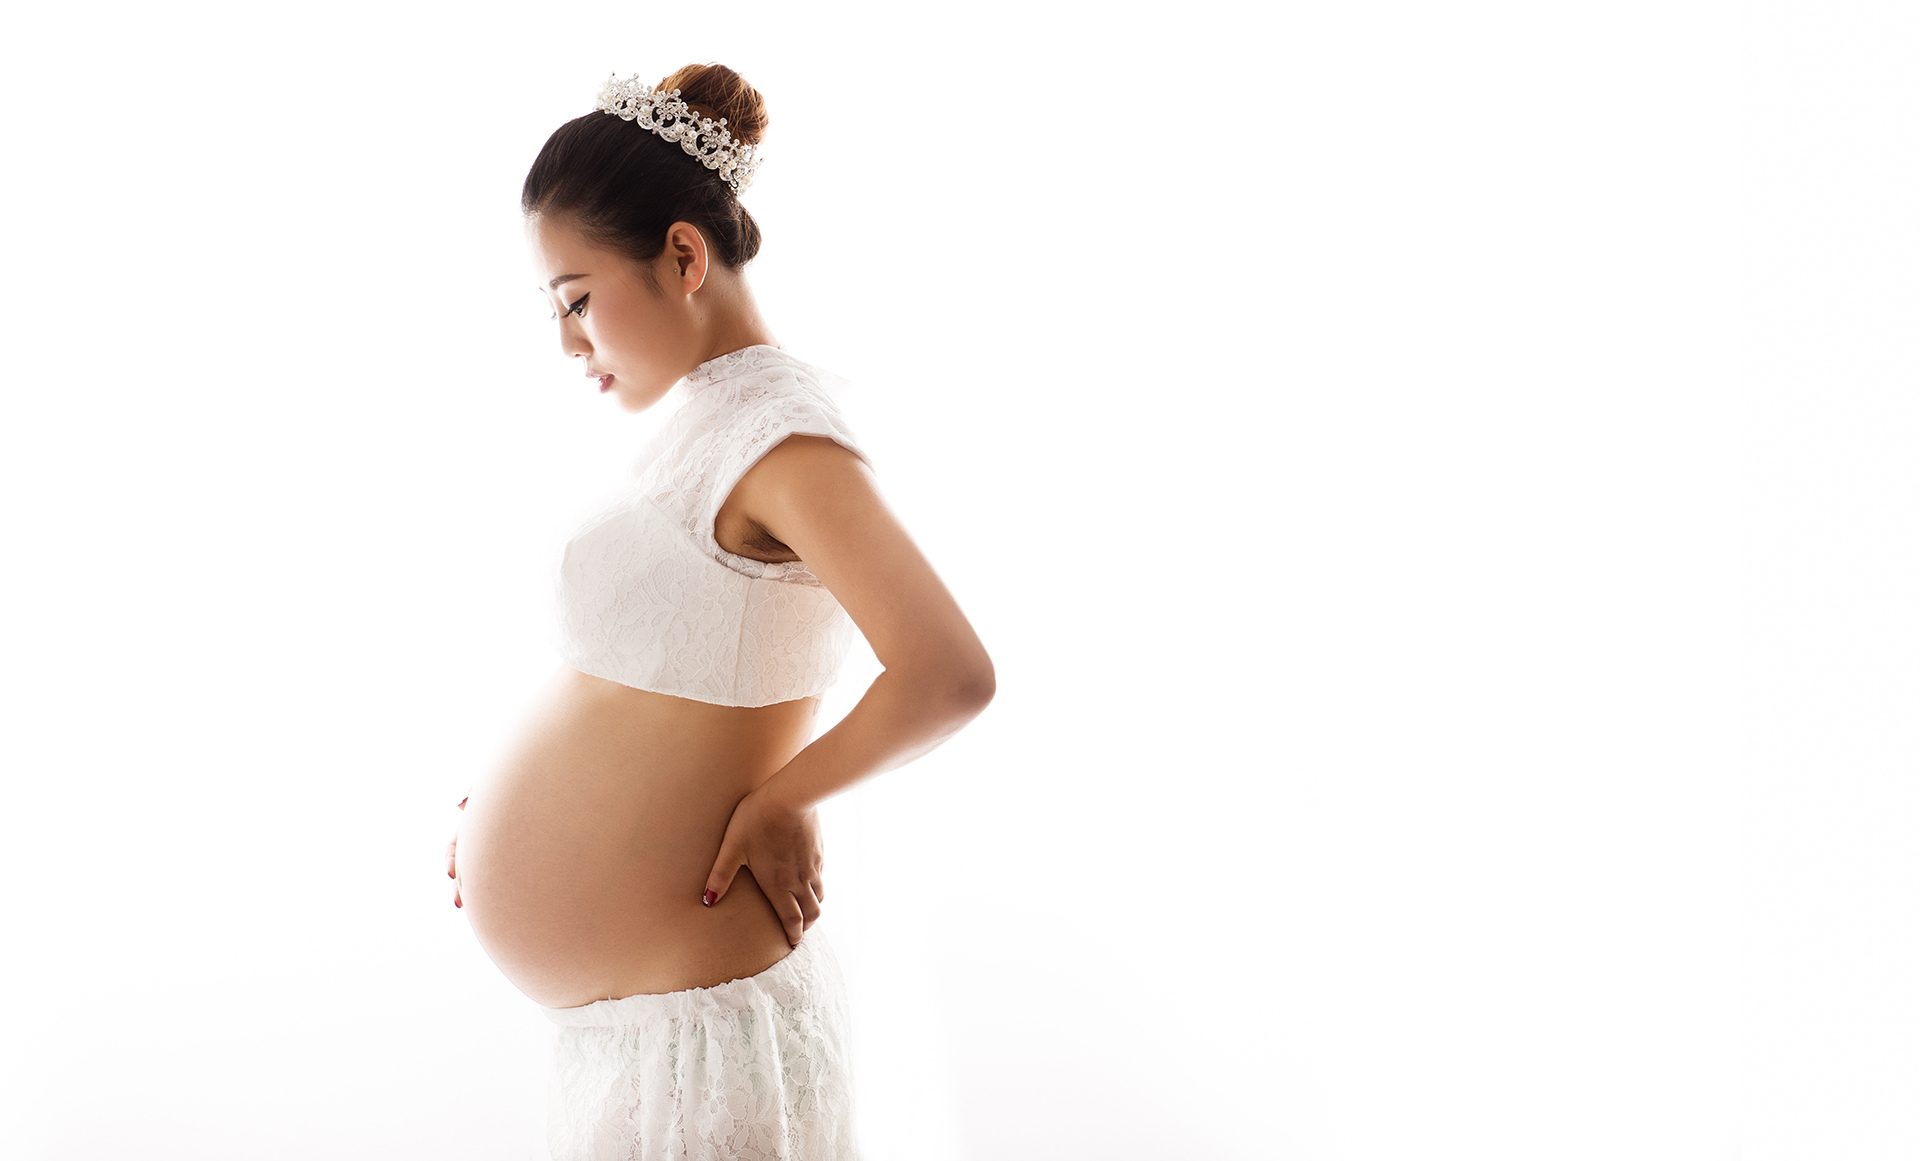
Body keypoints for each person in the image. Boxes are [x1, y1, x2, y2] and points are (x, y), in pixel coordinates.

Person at [442, 63, 995, 1161]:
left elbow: (947, 672)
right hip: (639, 1031)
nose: (568, 341)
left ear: (684, 256)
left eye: (577, 299)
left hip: (703, 1040)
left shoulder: (783, 441)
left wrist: (787, 798)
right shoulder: (710, 424)